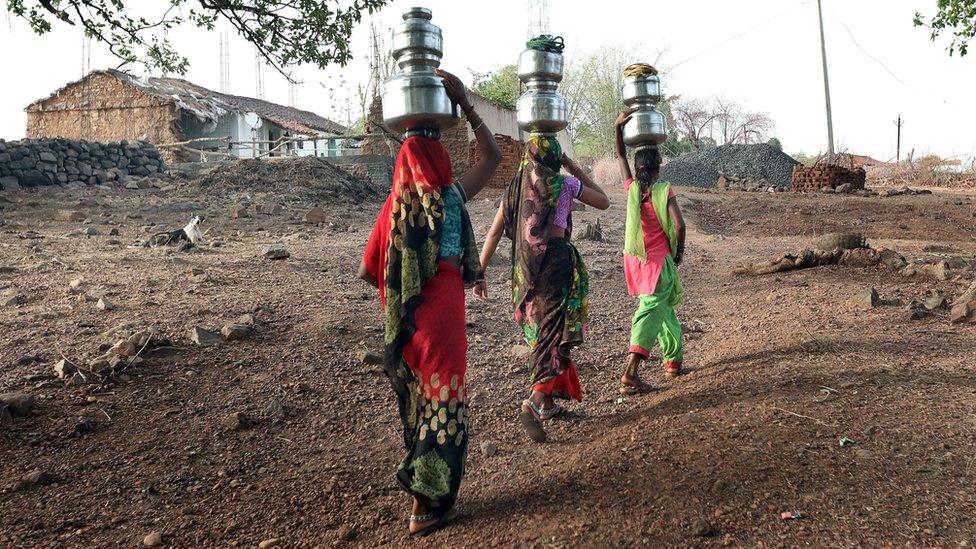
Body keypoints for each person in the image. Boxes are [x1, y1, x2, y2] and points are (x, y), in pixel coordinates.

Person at [358, 69, 501, 537]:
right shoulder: (453, 198)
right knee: (445, 401)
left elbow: (366, 270)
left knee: (425, 400)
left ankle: (427, 497)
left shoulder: (396, 207)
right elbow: (494, 155)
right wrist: (466, 106)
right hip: (443, 313)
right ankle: (427, 505)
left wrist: (402, 276)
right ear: (439, 161)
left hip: (409, 316)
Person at [476, 135, 610, 443]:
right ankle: (534, 401)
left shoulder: (516, 189)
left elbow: (494, 233)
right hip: (557, 263)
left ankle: (548, 404)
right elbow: (603, 200)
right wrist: (573, 167)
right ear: (555, 159)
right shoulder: (565, 185)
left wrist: (479, 271)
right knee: (554, 331)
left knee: (541, 330)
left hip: (527, 268)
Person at [613, 109, 686, 395]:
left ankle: (673, 360)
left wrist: (617, 128)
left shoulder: (632, 189)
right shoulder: (664, 190)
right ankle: (631, 372)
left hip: (636, 261)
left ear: (638, 167)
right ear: (658, 167)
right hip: (657, 262)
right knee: (651, 310)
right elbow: (679, 226)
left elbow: (620, 157)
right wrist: (678, 254)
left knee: (664, 309)